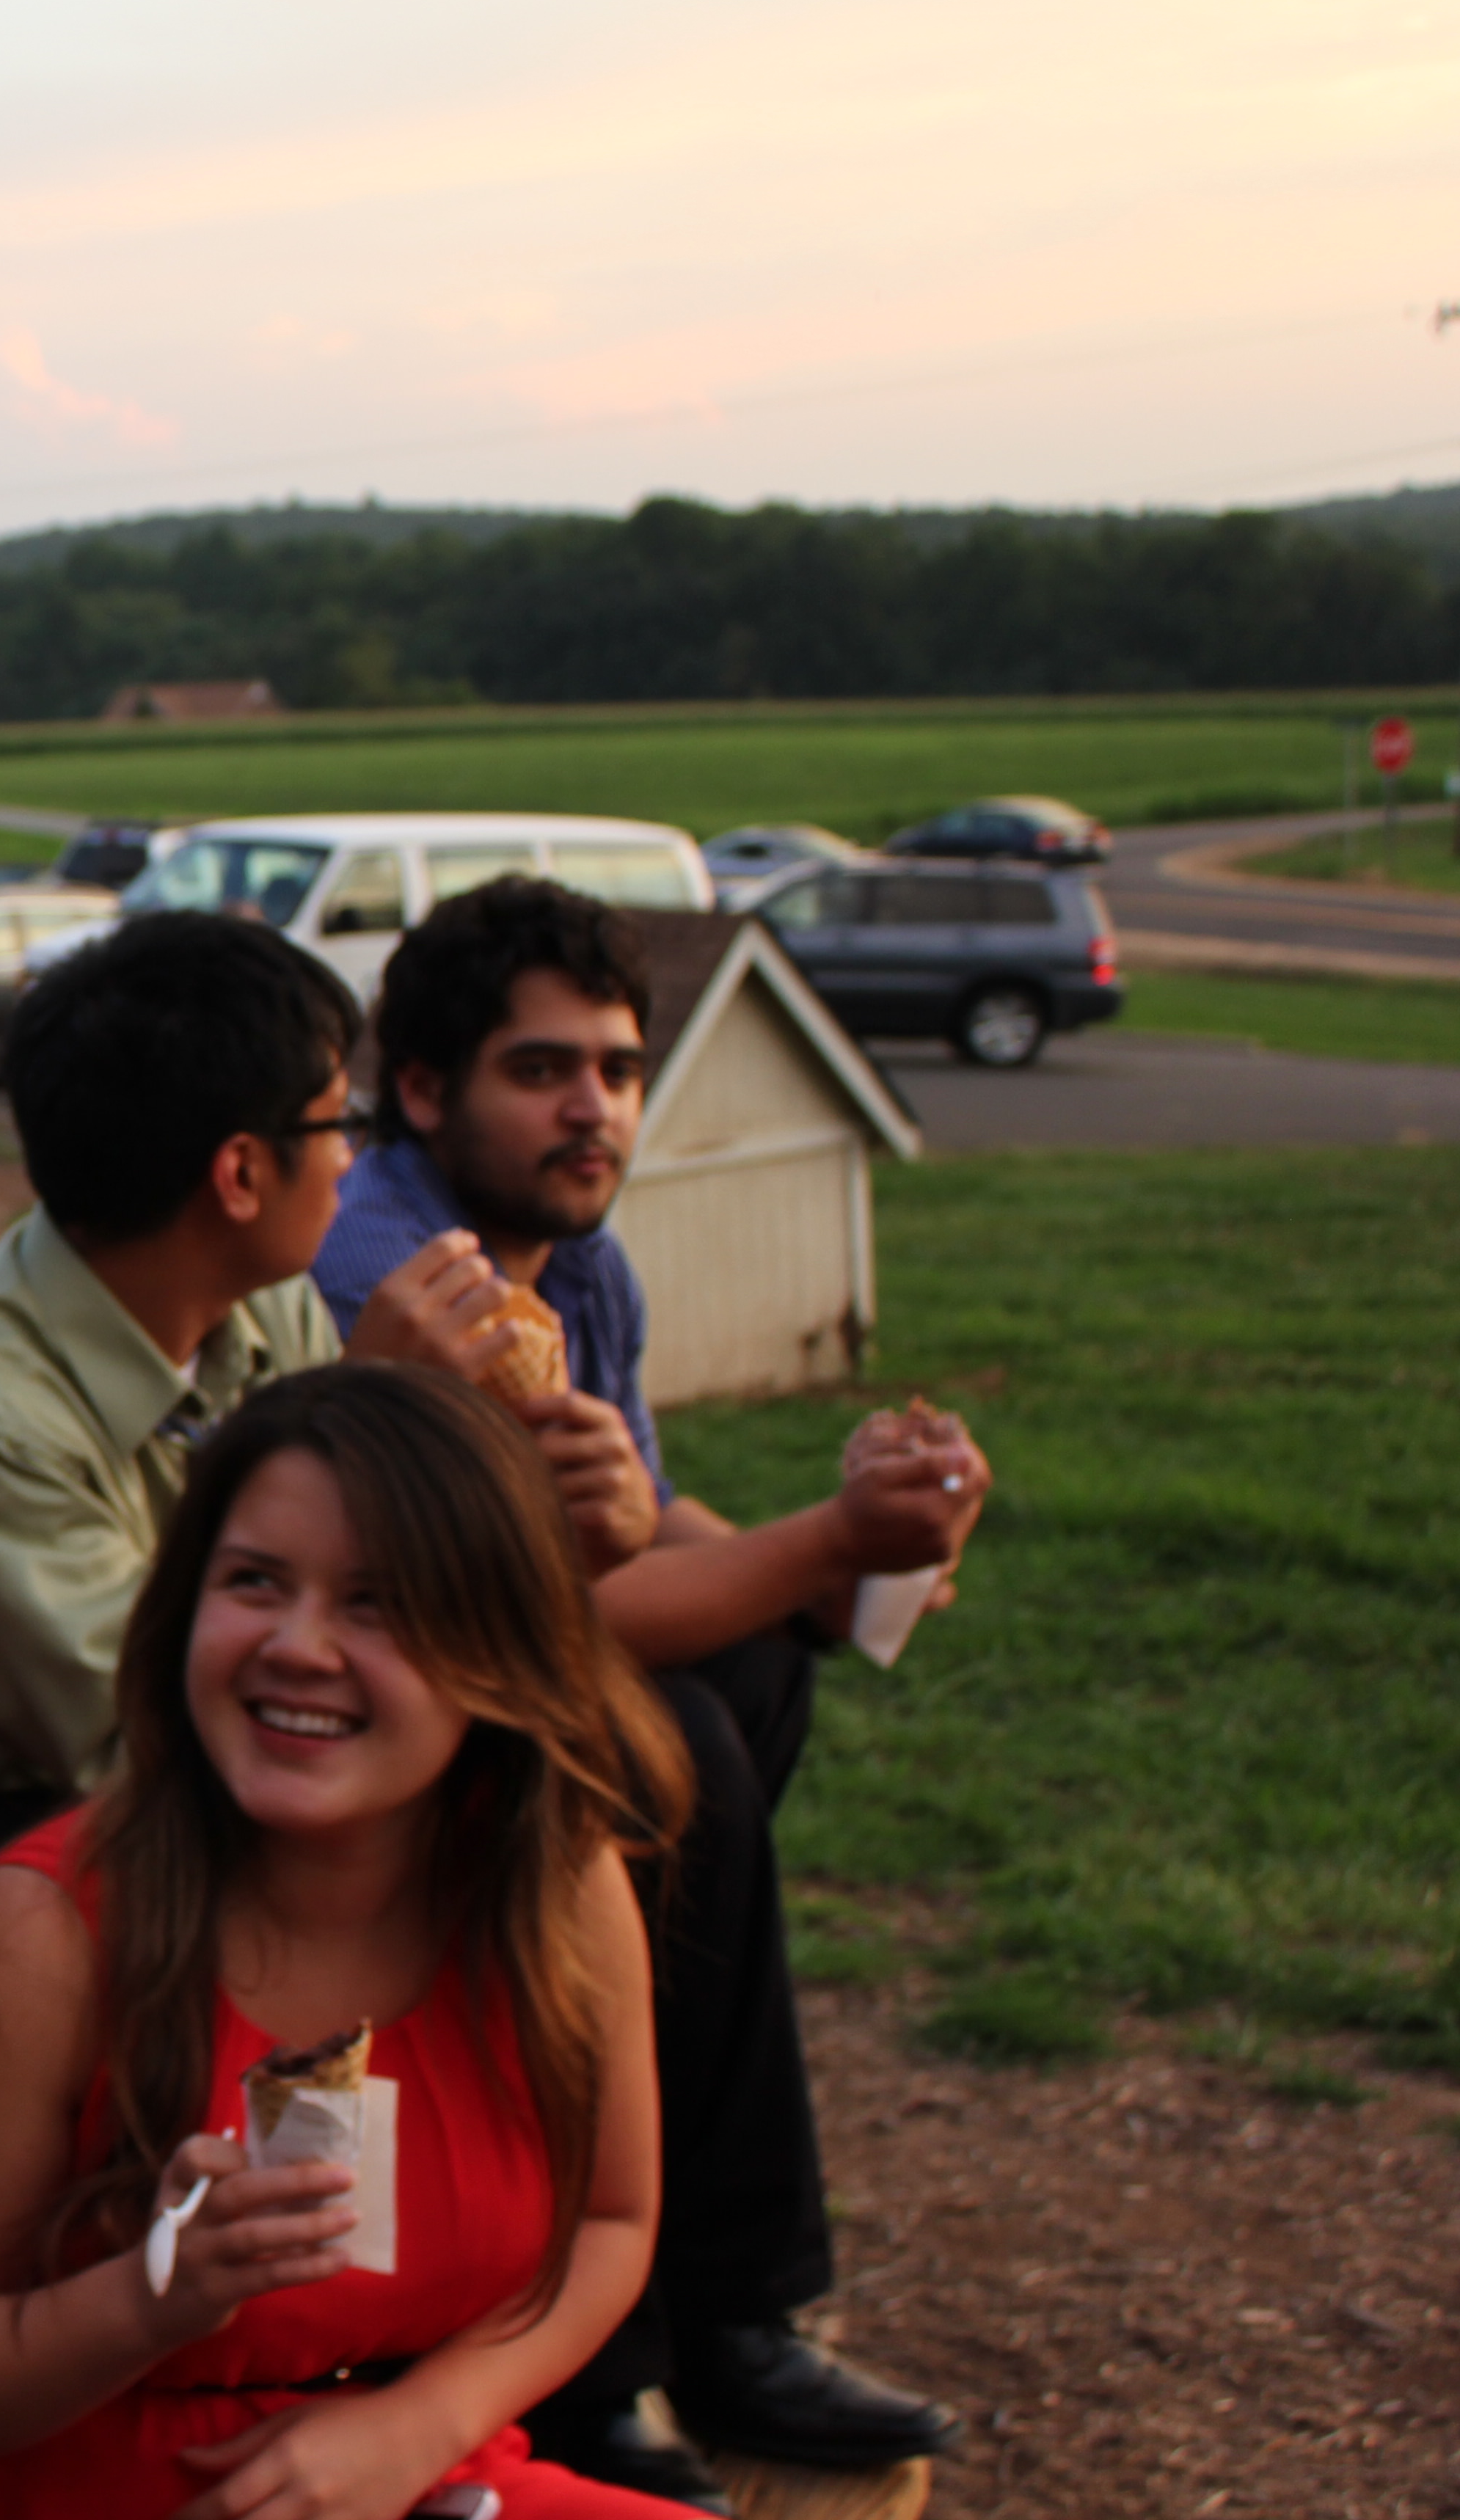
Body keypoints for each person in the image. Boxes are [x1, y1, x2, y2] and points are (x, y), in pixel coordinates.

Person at [0, 912, 660, 2106]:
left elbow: (311, 1635)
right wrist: (375, 1411)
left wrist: (554, 1534)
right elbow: (161, 1739)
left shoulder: (258, 1308)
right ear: (239, 1173)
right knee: (318, 1848)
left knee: (600, 1778)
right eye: (333, 1123)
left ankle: (641, 2249)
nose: (353, 1160)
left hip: (65, 1798)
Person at [313, 877, 982, 2505]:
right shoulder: (408, 1275)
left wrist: (842, 1567)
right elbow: (556, 1618)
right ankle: (624, 2353)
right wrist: (820, 1539)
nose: (593, 1108)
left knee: (740, 1680)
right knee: (664, 1745)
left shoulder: (584, 1268)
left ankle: (709, 2303)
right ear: (424, 1091)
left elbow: (639, 1533)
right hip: (341, 1712)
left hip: (505, 1682)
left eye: (615, 1070)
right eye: (544, 1071)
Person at [0, 1364, 701, 2520]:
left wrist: (415, 2430)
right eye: (254, 1582)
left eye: (379, 1603)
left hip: (428, 2480)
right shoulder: (37, 1942)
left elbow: (610, 2224)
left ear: (500, 1650)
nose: (299, 1645)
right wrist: (149, 2299)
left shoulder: (554, 1886)